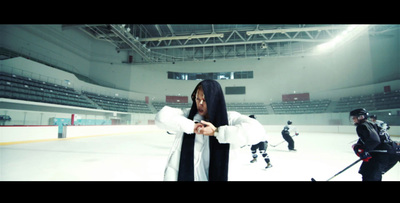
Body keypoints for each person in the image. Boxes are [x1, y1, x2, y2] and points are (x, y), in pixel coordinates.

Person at [155, 79, 267, 181]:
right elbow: (161, 117)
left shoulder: (229, 119)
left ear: (215, 100)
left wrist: (217, 132)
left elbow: (258, 131)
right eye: (197, 99)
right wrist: (192, 126)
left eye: (205, 100)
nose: (200, 103)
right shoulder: (187, 116)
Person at [350, 108, 399, 181]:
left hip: (381, 154)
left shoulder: (362, 126)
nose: (353, 120)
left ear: (361, 117)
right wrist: (359, 145)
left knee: (369, 174)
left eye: (354, 117)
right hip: (392, 153)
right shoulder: (373, 124)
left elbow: (374, 140)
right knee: (371, 173)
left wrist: (365, 150)